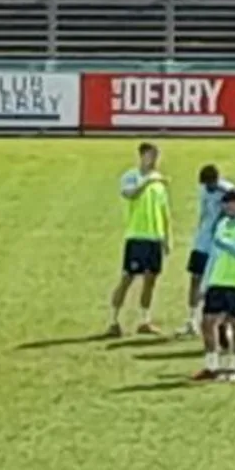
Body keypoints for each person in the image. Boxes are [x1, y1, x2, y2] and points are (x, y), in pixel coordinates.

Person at [191, 190, 235, 383]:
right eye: (226, 204)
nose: (229, 207)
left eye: (233, 203)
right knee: (207, 322)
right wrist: (205, 284)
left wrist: (228, 245)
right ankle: (211, 366)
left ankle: (234, 367)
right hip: (218, 281)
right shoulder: (222, 224)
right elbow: (213, 255)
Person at [108, 142, 171, 337]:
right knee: (127, 278)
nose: (154, 160)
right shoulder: (131, 177)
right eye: (150, 155)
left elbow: (164, 211)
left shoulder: (159, 183)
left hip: (154, 238)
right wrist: (149, 182)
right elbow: (130, 194)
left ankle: (145, 320)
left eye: (156, 156)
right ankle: (113, 320)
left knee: (150, 279)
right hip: (136, 236)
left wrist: (166, 238)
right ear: (142, 156)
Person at [179, 165, 235, 338]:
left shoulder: (227, 191)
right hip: (201, 242)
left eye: (211, 184)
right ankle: (191, 319)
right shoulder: (204, 191)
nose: (208, 187)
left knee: (219, 284)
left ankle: (223, 324)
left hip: (219, 245)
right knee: (195, 279)